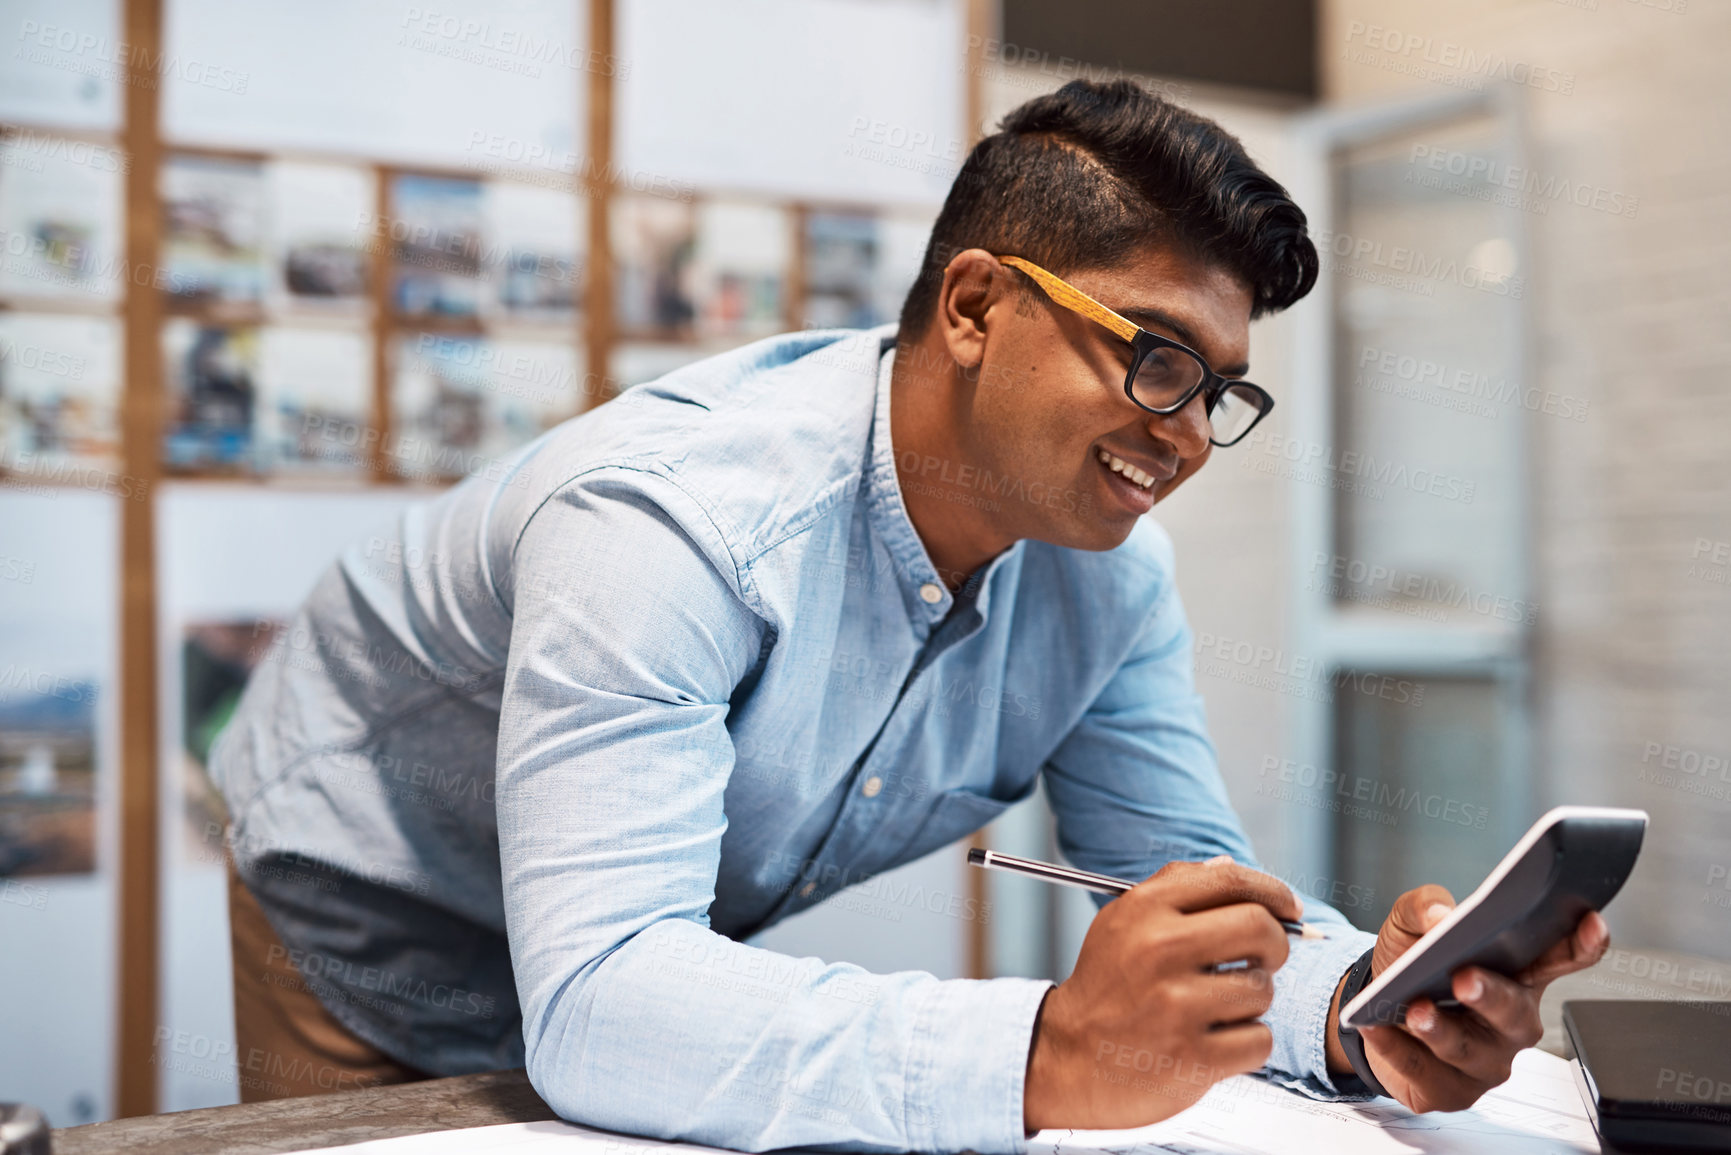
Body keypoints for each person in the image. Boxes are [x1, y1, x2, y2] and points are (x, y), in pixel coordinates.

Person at [209, 79, 1608, 1150]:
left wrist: (1366, 1010)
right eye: (1153, 359)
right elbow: (603, 1006)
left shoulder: (1109, 578)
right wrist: (1048, 1051)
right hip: (378, 895)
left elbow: (1184, 886)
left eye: (1218, 388)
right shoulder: (670, 526)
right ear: (978, 305)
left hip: (629, 937)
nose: (1184, 435)